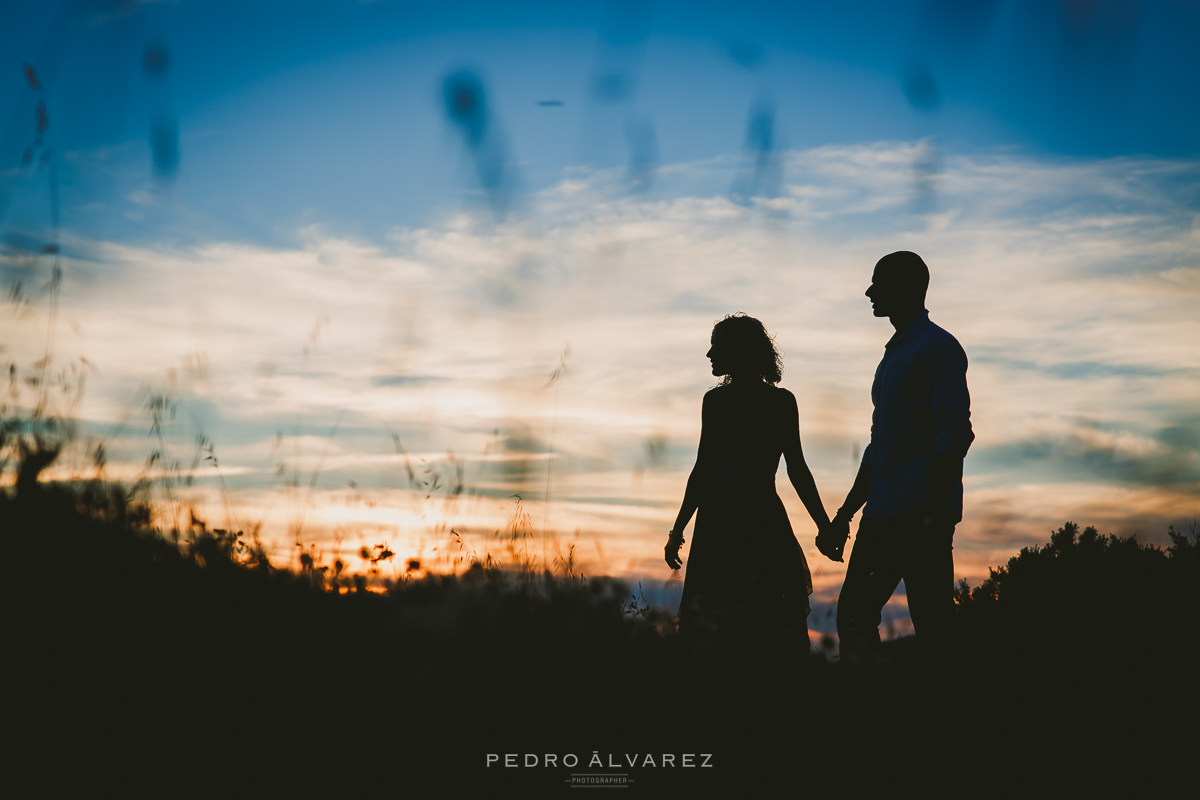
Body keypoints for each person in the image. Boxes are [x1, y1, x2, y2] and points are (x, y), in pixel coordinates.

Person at [819, 251, 974, 659]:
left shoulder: (936, 347)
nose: (870, 291)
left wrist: (934, 507)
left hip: (919, 514)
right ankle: (873, 708)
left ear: (905, 288)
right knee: (854, 616)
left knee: (933, 624)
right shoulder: (894, 356)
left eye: (879, 283)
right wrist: (845, 514)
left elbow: (955, 429)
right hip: (883, 514)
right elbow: (880, 447)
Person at [666, 314, 831, 642]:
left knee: (758, 620)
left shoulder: (777, 402)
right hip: (729, 521)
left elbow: (796, 469)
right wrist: (678, 530)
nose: (710, 355)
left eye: (717, 347)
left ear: (737, 350)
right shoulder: (715, 402)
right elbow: (702, 471)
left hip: (748, 522)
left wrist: (824, 525)